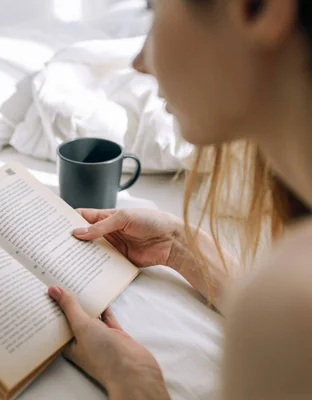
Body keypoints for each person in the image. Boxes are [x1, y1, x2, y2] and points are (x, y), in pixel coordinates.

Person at [47, 0, 312, 399]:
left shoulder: (287, 298)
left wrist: (136, 385)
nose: (139, 61)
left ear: (260, 10)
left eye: (154, 10)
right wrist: (182, 247)